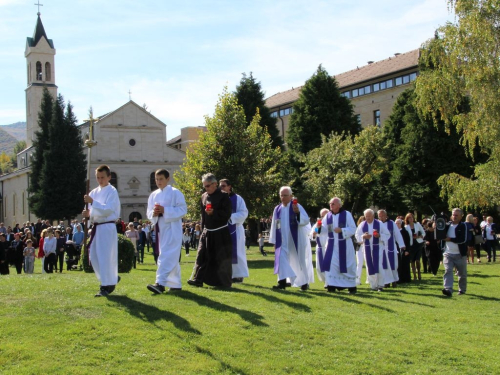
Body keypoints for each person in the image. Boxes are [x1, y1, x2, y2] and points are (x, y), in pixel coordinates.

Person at [82, 165, 121, 297]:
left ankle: (105, 285)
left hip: (107, 226)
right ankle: (110, 278)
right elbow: (90, 212)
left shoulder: (112, 191)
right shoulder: (93, 192)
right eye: (98, 177)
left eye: (102, 177)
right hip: (96, 227)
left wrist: (93, 203)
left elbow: (109, 209)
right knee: (94, 256)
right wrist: (87, 214)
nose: (100, 180)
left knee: (105, 256)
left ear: (109, 177)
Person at [188, 173, 233, 288]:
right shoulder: (203, 196)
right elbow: (203, 215)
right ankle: (198, 279)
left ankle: (223, 283)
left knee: (220, 258)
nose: (206, 188)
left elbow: (227, 214)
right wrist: (203, 229)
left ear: (214, 184)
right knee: (202, 255)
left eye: (208, 186)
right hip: (207, 231)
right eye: (204, 186)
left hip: (220, 232)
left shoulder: (224, 196)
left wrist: (214, 213)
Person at [146, 169, 187, 294]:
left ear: (168, 179)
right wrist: (154, 213)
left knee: (166, 256)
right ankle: (175, 283)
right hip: (160, 229)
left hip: (172, 228)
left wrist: (165, 210)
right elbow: (149, 212)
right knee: (170, 256)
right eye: (156, 179)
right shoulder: (153, 195)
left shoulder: (176, 193)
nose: (158, 182)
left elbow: (182, 210)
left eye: (161, 179)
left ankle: (160, 283)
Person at [268, 186, 314, 291]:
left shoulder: (296, 206)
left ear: (291, 196)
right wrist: (274, 240)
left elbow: (305, 221)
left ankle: (304, 283)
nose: (283, 198)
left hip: (295, 239)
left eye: (285, 195)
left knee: (299, 261)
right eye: (281, 195)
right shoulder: (277, 209)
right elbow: (274, 225)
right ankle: (282, 282)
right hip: (282, 241)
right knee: (281, 260)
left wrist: (297, 213)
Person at [317, 198, 357, 294]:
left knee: (347, 266)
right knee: (331, 265)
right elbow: (324, 230)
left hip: (344, 244)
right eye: (330, 203)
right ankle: (331, 286)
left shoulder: (347, 214)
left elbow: (353, 228)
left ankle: (351, 287)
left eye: (333, 204)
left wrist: (342, 230)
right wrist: (319, 228)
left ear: (339, 205)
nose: (331, 205)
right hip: (332, 246)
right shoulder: (328, 216)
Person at [219, 178, 249, 283]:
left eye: (223, 186)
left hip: (235, 229)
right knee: (223, 252)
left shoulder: (237, 199)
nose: (221, 188)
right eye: (220, 186)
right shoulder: (219, 198)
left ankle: (238, 275)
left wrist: (230, 217)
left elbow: (244, 213)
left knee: (238, 252)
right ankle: (226, 274)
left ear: (229, 187)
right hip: (222, 230)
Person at [355, 209, 391, 291]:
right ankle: (373, 285)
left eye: (369, 216)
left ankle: (380, 285)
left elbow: (387, 234)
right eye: (366, 216)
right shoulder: (362, 224)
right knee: (369, 266)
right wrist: (363, 236)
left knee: (378, 266)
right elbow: (357, 234)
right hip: (367, 248)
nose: (367, 218)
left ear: (373, 216)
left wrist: (379, 235)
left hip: (378, 247)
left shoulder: (379, 224)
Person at [442, 208, 468, 297]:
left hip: (460, 254)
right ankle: (448, 289)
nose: (454, 216)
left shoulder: (463, 226)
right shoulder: (447, 225)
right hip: (448, 253)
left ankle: (462, 290)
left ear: (461, 216)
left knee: (462, 274)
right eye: (453, 215)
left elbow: (462, 240)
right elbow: (439, 232)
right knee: (448, 270)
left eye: (457, 215)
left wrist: (450, 239)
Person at [378, 209, 406, 287]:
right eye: (380, 216)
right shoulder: (377, 224)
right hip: (382, 248)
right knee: (384, 266)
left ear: (386, 215)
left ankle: (394, 281)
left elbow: (397, 234)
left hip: (391, 248)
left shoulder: (392, 223)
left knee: (393, 265)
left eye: (383, 215)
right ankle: (386, 282)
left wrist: (401, 245)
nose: (381, 217)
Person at [404, 213, 425, 281]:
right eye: (409, 218)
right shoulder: (406, 227)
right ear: (407, 219)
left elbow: (424, 233)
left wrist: (419, 236)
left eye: (412, 217)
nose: (411, 219)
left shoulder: (417, 224)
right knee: (412, 261)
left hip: (418, 244)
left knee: (417, 260)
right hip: (411, 245)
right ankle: (414, 275)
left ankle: (419, 273)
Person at [396, 219, 412, 283]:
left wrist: (407, 250)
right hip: (397, 250)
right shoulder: (395, 232)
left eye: (398, 223)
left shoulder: (404, 232)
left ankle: (406, 279)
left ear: (401, 224)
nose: (397, 225)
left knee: (405, 265)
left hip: (404, 250)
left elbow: (407, 242)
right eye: (396, 223)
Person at [355, 215, 365, 285]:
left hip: (367, 247)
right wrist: (360, 241)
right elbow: (355, 239)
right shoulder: (357, 229)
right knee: (359, 263)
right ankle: (357, 279)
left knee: (368, 263)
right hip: (359, 247)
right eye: (362, 220)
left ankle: (369, 279)